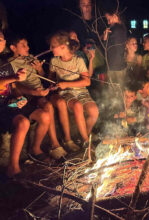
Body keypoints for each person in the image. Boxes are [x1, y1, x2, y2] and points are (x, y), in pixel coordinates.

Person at [8, 34, 67, 159]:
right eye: (23, 45)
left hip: (40, 90)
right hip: (28, 94)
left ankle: (44, 146)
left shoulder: (30, 57)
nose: (27, 47)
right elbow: (14, 87)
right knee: (48, 106)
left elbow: (42, 75)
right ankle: (54, 145)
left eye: (27, 44)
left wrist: (39, 69)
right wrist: (35, 92)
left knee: (52, 103)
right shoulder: (10, 64)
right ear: (13, 48)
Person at [0, 31, 50, 177]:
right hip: (2, 107)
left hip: (10, 103)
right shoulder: (10, 65)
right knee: (23, 122)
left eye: (2, 39)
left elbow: (14, 87)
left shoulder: (5, 63)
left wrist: (20, 98)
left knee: (44, 116)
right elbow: (8, 81)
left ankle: (36, 150)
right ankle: (13, 168)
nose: (1, 41)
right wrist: (13, 77)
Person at [49, 31, 99, 149]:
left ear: (63, 47)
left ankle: (83, 135)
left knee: (94, 111)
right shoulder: (54, 61)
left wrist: (65, 83)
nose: (50, 49)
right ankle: (86, 141)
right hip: (66, 93)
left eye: (52, 46)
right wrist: (53, 86)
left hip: (81, 91)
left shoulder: (77, 60)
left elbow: (87, 81)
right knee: (77, 106)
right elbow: (50, 80)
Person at [103, 10, 127, 86]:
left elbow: (105, 47)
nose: (108, 23)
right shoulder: (122, 28)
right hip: (119, 65)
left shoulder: (116, 29)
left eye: (109, 19)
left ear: (115, 16)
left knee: (114, 91)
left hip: (114, 66)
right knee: (119, 90)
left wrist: (105, 36)